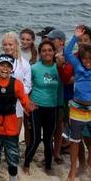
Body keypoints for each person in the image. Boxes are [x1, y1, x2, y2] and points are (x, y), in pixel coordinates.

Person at [63, 42, 91, 181]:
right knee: (75, 140)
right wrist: (75, 38)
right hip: (77, 109)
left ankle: (90, 160)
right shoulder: (78, 67)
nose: (88, 61)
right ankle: (72, 170)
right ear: (81, 59)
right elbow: (68, 52)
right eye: (85, 59)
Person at [24, 40, 61, 174]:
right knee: (35, 138)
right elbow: (26, 86)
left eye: (50, 50)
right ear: (40, 53)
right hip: (36, 108)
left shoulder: (58, 67)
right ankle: (26, 164)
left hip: (52, 107)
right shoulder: (34, 68)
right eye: (44, 50)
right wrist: (27, 103)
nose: (47, 53)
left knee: (48, 139)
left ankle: (48, 166)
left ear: (54, 52)